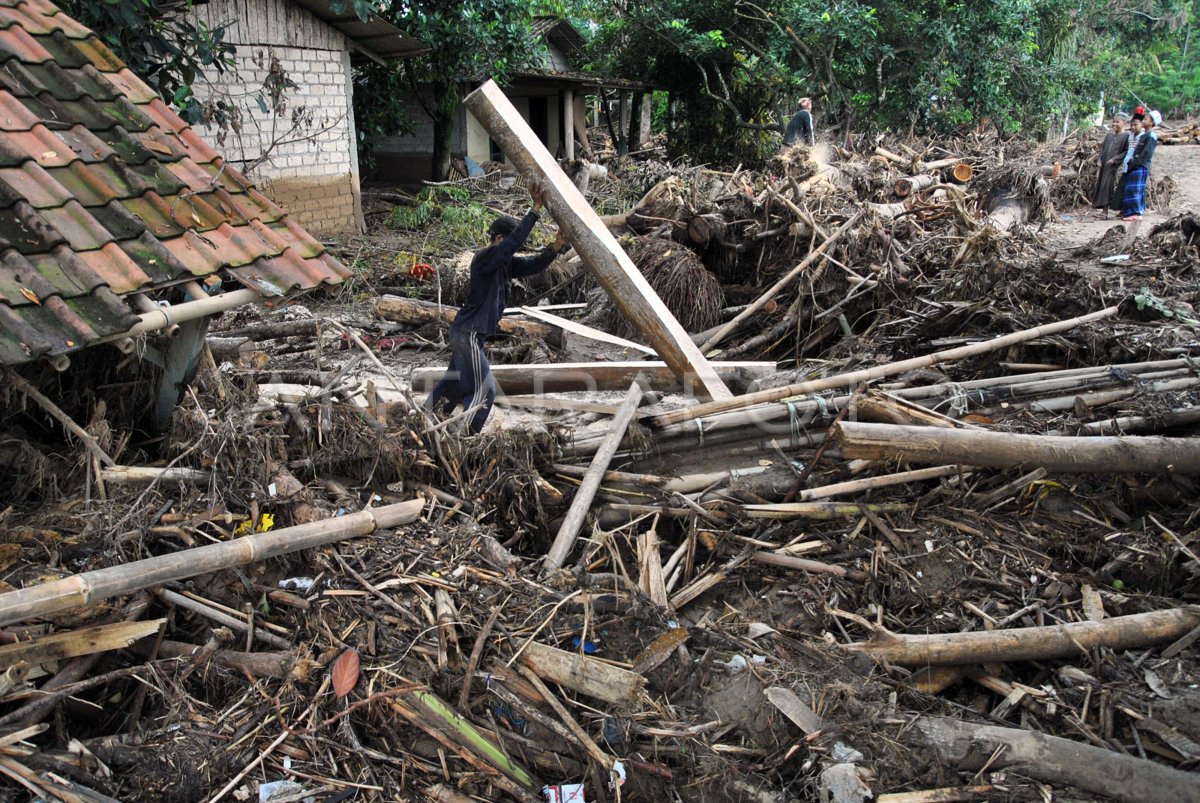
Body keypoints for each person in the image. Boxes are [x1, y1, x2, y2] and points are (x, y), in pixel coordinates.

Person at [423, 184, 567, 434]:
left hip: (469, 333)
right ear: (499, 239)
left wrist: (555, 247)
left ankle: (426, 418)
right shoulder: (485, 258)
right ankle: (467, 437)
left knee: (453, 384)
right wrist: (535, 209)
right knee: (485, 390)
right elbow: (512, 245)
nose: (513, 251)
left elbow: (534, 265)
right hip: (467, 333)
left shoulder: (505, 265)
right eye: (508, 244)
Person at [1121, 110, 1161, 221]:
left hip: (1140, 166)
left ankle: (1136, 213)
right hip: (1136, 164)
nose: (1144, 120)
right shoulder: (1145, 135)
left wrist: (1134, 162)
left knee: (1135, 189)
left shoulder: (1151, 136)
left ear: (1152, 122)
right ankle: (1133, 212)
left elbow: (1146, 154)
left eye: (1146, 119)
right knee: (1132, 188)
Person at [1091, 115, 1131, 218]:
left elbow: (1126, 151)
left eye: (1117, 122)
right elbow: (1103, 149)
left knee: (1107, 186)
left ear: (1124, 123)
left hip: (1113, 166)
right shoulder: (1108, 136)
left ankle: (1105, 211)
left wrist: (1114, 160)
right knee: (1101, 185)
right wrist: (1100, 159)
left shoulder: (1126, 136)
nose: (1114, 124)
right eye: (1113, 122)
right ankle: (1102, 210)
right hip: (1104, 165)